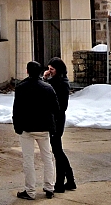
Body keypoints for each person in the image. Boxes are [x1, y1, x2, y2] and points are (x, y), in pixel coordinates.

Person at [12, 61, 59, 200]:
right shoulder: (48, 88)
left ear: (27, 71)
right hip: (44, 127)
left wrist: (17, 126)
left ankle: (30, 190)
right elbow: (56, 108)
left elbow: (17, 109)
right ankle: (49, 187)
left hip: (27, 128)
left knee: (28, 160)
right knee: (47, 158)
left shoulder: (21, 88)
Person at [43, 57, 77, 192]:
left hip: (57, 120)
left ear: (58, 70)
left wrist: (46, 81)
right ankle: (69, 180)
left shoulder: (61, 83)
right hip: (55, 119)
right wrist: (46, 79)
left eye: (52, 69)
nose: (49, 71)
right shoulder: (55, 81)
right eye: (49, 69)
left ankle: (60, 183)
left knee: (57, 151)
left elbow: (61, 105)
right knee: (58, 151)